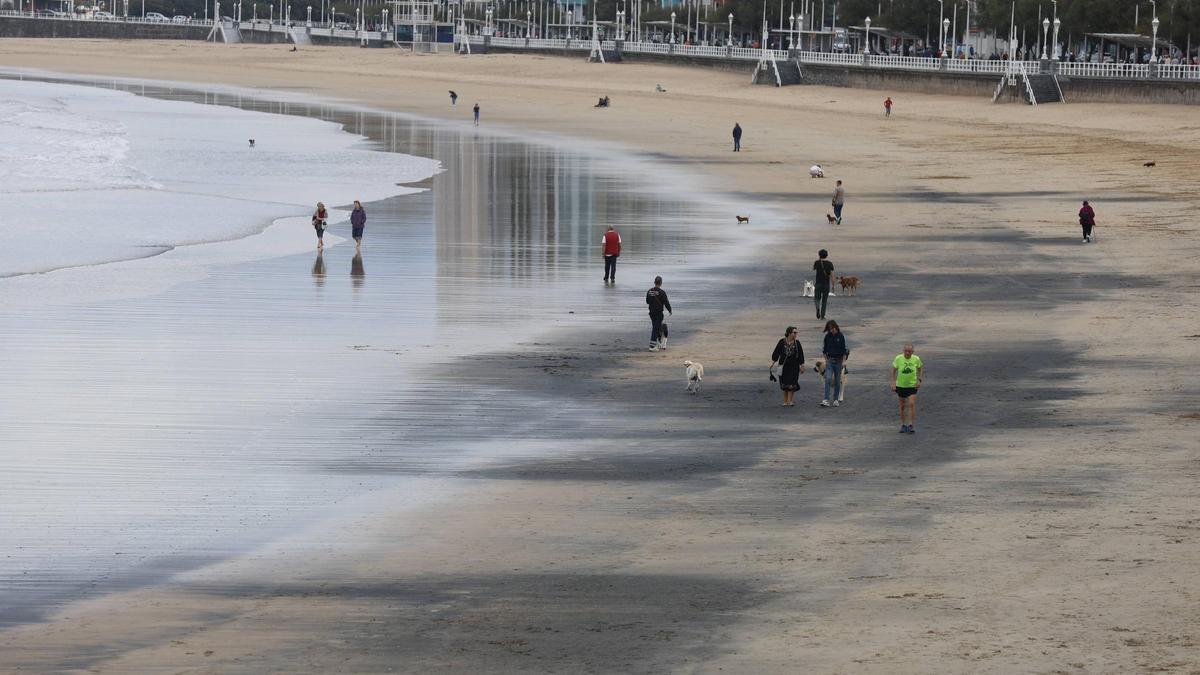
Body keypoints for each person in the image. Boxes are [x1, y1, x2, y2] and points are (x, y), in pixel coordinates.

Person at [891, 343, 924, 434]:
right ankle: (903, 425)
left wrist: (919, 380)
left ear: (913, 351)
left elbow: (920, 368)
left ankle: (911, 425)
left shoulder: (916, 359)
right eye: (906, 351)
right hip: (901, 385)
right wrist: (893, 383)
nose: (907, 353)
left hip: (912, 385)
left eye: (909, 351)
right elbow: (893, 370)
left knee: (911, 404)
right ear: (903, 351)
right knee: (902, 406)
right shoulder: (898, 358)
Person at [770, 326, 805, 407]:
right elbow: (776, 353)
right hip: (783, 366)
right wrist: (772, 363)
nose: (796, 334)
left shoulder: (797, 343)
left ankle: (790, 401)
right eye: (794, 333)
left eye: (796, 333)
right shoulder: (782, 342)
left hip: (794, 366)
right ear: (789, 333)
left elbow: (801, 355)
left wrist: (802, 365)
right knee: (784, 383)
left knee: (792, 383)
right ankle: (785, 401)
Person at [820, 320, 849, 407]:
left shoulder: (841, 336)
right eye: (830, 329)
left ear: (836, 327)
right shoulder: (827, 337)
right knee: (828, 379)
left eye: (832, 328)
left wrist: (844, 361)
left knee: (837, 381)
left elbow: (845, 350)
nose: (831, 330)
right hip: (830, 360)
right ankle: (826, 399)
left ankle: (836, 399)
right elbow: (824, 350)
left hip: (839, 361)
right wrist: (826, 360)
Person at [646, 275, 672, 352]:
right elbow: (666, 302)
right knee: (655, 328)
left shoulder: (649, 291)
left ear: (654, 282)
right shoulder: (662, 292)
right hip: (658, 313)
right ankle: (652, 346)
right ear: (661, 283)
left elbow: (647, 301)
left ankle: (656, 344)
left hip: (651, 313)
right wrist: (670, 310)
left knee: (655, 327)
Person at [812, 249, 834, 320]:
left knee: (817, 298)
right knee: (824, 300)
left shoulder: (817, 262)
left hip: (818, 283)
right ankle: (822, 316)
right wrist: (833, 285)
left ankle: (817, 308)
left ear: (819, 255)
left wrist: (819, 260)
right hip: (826, 285)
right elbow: (832, 276)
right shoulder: (830, 263)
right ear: (826, 255)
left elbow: (813, 268)